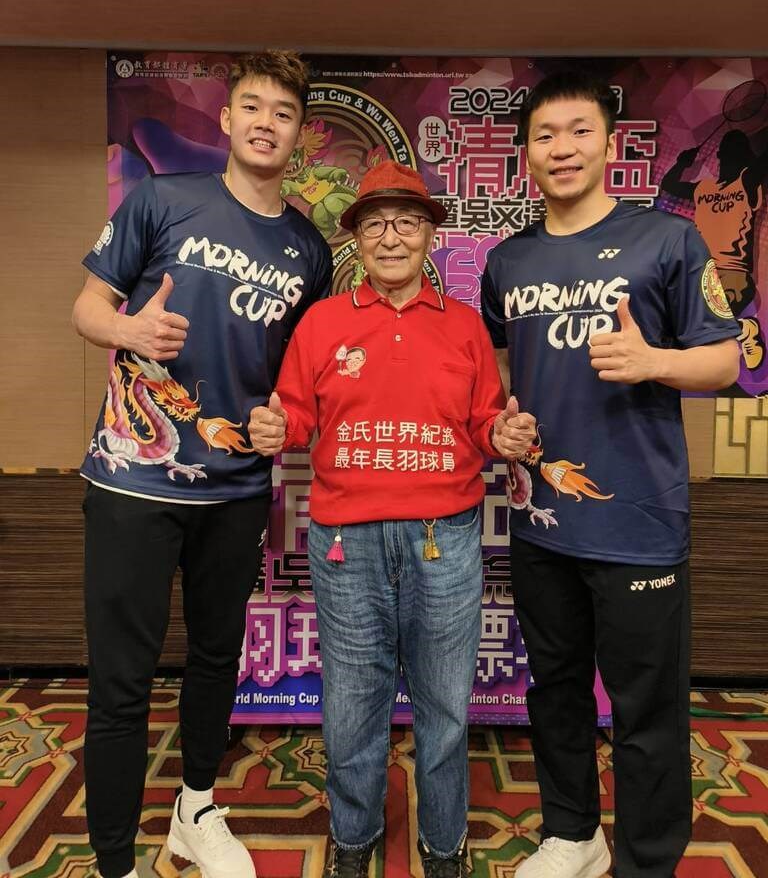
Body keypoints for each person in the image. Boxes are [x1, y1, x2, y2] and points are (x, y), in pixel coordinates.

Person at [73, 51, 332, 878]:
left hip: (235, 491)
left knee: (218, 657)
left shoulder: (307, 248)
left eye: (282, 112)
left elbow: (298, 379)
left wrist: (281, 419)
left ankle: (195, 807)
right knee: (122, 677)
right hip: (131, 480)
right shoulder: (161, 200)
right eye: (250, 106)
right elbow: (87, 306)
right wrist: (128, 333)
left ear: (297, 133)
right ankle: (114, 858)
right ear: (225, 120)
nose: (264, 121)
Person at [480, 71, 741, 878]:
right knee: (553, 689)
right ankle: (572, 832)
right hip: (542, 521)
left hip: (639, 521)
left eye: (579, 131)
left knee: (645, 710)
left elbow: (729, 358)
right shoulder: (506, 260)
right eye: (546, 135)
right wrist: (505, 423)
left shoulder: (666, 241)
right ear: (525, 154)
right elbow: (500, 372)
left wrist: (655, 360)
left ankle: (647, 857)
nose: (562, 149)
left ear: (609, 145)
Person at [248, 160, 536, 878]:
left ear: (431, 235)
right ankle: (354, 837)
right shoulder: (322, 324)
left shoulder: (465, 326)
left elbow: (482, 420)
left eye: (407, 221)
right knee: (352, 704)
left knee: (444, 705)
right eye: (374, 223)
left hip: (447, 537)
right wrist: (273, 426)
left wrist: (499, 435)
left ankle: (444, 846)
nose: (391, 237)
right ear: (358, 239)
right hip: (346, 543)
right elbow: (297, 413)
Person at [661, 126, 768, 370]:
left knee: (710, 321)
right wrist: (682, 163)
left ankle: (744, 330)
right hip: (702, 271)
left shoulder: (747, 183)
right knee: (690, 327)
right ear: (719, 157)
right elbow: (669, 183)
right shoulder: (703, 188)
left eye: (734, 153)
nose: (727, 158)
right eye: (725, 153)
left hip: (734, 274)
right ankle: (741, 329)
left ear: (745, 157)